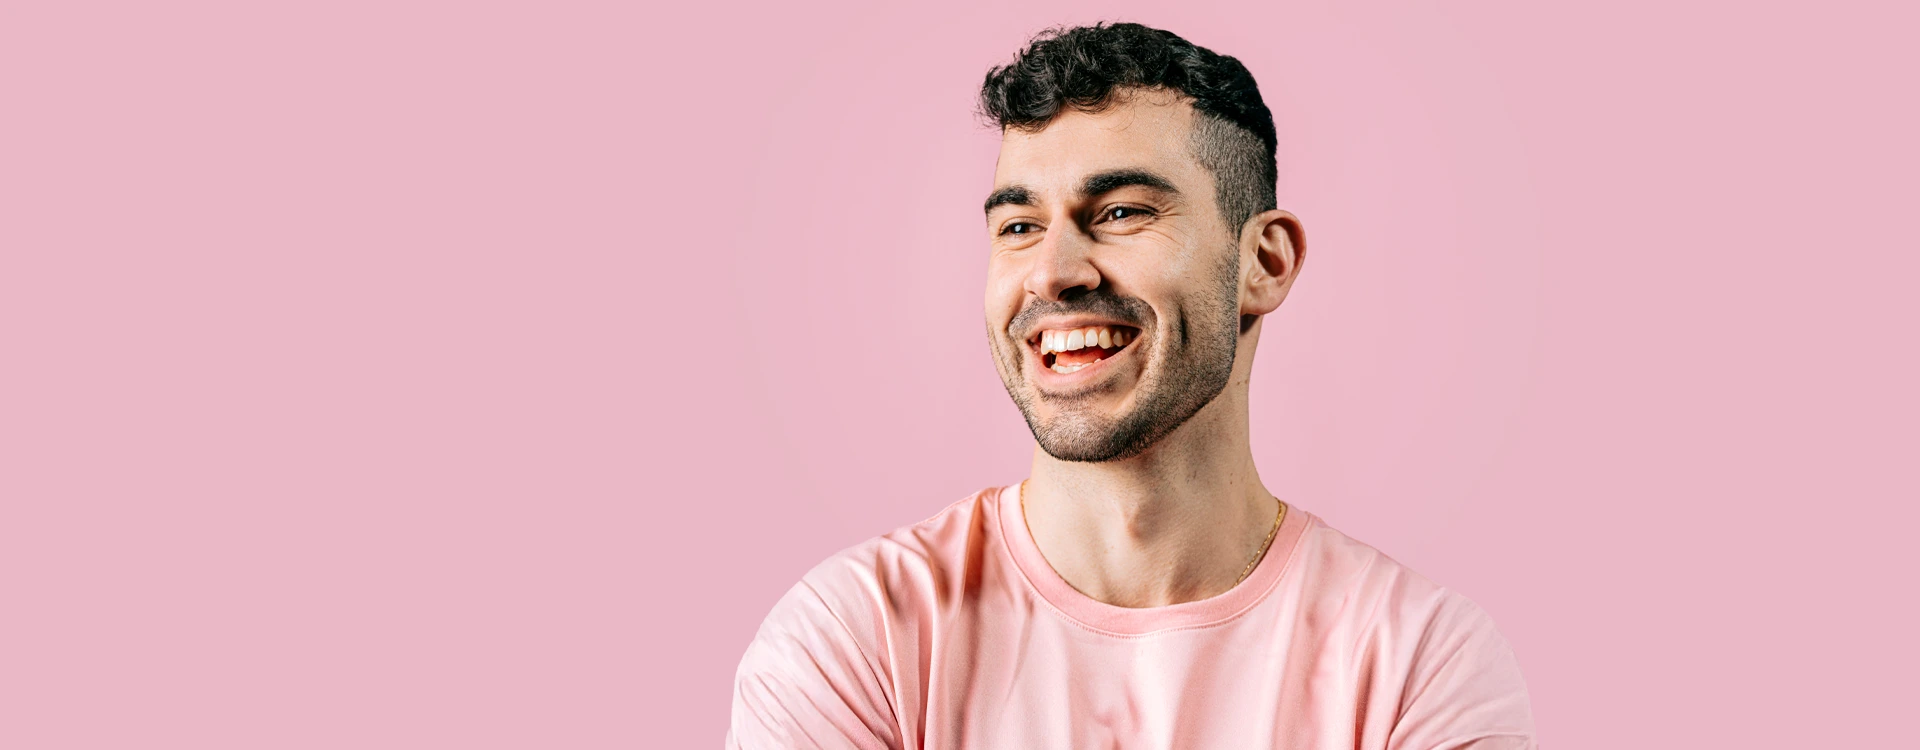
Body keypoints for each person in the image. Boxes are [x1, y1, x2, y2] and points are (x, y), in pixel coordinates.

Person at [726, 22, 1535, 749]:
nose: (1054, 272)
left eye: (1119, 212)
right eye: (1019, 227)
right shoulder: (854, 640)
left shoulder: (1418, 663)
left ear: (1265, 262)